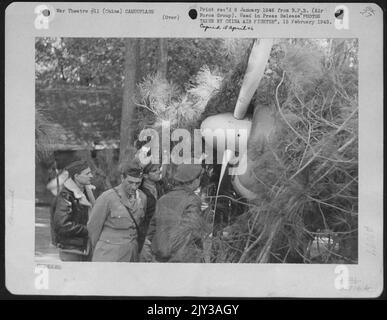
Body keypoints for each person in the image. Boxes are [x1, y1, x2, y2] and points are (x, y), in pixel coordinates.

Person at [87, 160, 147, 262]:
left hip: (131, 254)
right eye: (130, 182)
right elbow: (93, 228)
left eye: (138, 183)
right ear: (122, 178)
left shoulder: (142, 197)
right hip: (109, 255)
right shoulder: (107, 197)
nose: (134, 187)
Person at [145, 164, 204, 263]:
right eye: (199, 178)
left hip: (160, 257)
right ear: (193, 180)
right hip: (183, 259)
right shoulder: (192, 199)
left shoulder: (163, 199)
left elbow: (151, 230)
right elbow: (193, 231)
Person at [52, 159, 94, 262]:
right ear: (76, 176)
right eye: (87, 173)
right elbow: (62, 225)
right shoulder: (66, 196)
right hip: (71, 250)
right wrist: (88, 230)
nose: (91, 176)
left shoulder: (87, 193)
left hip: (84, 247)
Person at [138, 163, 163, 255]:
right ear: (145, 175)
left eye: (158, 169)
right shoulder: (139, 193)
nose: (159, 171)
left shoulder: (161, 187)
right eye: (154, 171)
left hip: (160, 232)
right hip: (145, 236)